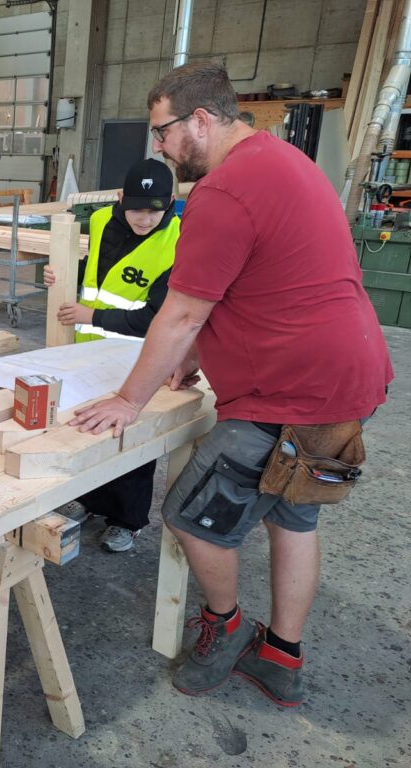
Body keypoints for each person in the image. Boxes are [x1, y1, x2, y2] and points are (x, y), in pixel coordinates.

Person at [71, 62, 393, 707]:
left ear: (199, 120)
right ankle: (282, 657)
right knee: (293, 517)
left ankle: (227, 627)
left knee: (190, 517)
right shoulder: (286, 161)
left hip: (292, 391)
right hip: (352, 377)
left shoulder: (223, 191)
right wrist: (198, 357)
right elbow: (249, 285)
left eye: (162, 132)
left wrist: (130, 399)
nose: (160, 147)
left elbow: (183, 312)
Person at [42, 157, 179, 553]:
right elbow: (95, 272)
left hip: (137, 358)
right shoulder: (102, 221)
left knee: (131, 439)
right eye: (136, 209)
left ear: (170, 203)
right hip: (88, 350)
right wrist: (61, 273)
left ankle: (127, 520)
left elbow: (157, 317)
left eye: (154, 211)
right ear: (120, 198)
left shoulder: (179, 241)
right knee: (87, 427)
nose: (144, 219)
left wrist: (92, 315)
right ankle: (92, 501)